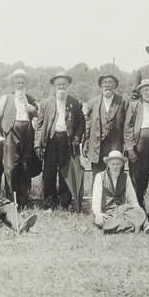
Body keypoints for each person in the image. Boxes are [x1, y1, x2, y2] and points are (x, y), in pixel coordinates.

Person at [34, 70, 86, 210]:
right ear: (54, 86)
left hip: (67, 142)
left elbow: (82, 122)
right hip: (51, 141)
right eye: (58, 85)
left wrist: (77, 136)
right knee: (48, 173)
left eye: (64, 84)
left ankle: (65, 203)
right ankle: (49, 204)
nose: (61, 87)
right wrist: (38, 145)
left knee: (66, 172)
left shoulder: (75, 103)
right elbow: (39, 125)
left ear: (68, 85)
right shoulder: (45, 103)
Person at [0, 69, 39, 207]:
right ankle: (11, 202)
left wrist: (34, 113)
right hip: (10, 136)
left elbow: (38, 122)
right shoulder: (5, 99)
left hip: (28, 136)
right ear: (12, 84)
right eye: (17, 83)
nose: (20, 86)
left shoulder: (31, 100)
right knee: (10, 168)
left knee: (25, 167)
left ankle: (23, 201)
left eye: (23, 83)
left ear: (26, 84)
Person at [92, 150, 149, 234]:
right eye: (112, 164)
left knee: (135, 210)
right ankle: (134, 226)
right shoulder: (100, 176)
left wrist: (138, 210)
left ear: (122, 165)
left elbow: (132, 197)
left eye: (117, 164)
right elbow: (96, 198)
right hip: (106, 211)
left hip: (120, 209)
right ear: (108, 165)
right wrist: (98, 213)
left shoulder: (125, 177)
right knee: (110, 222)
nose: (115, 167)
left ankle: (146, 225)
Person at [83, 72, 128, 189]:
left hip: (115, 144)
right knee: (98, 174)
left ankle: (116, 200)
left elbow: (128, 125)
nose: (107, 85)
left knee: (116, 172)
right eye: (105, 82)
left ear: (115, 85)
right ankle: (97, 202)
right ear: (101, 85)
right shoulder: (93, 102)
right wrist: (86, 142)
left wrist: (127, 145)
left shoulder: (123, 102)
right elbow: (87, 124)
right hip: (98, 144)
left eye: (110, 82)